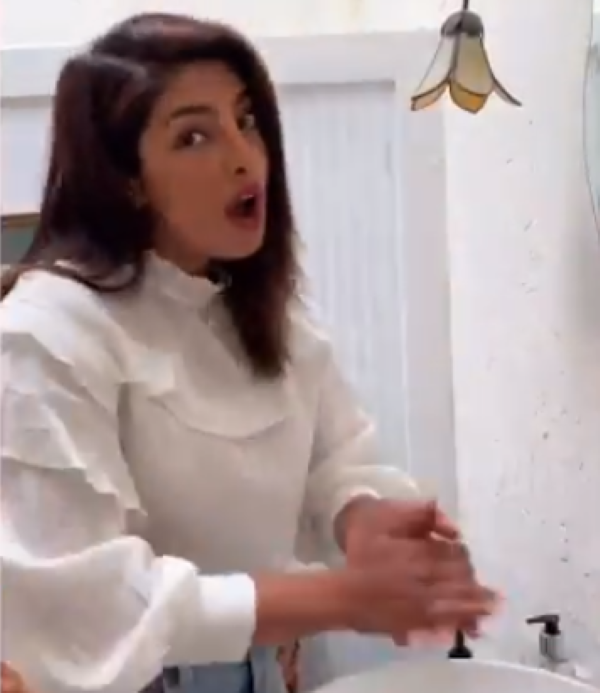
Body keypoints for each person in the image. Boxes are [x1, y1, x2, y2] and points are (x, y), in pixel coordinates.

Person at [0, 13, 498, 693]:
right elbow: (86, 604)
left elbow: (335, 458)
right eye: (194, 136)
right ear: (125, 179)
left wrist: (364, 519)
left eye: (247, 120)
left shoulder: (261, 310)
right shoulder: (44, 333)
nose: (244, 157)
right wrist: (344, 597)